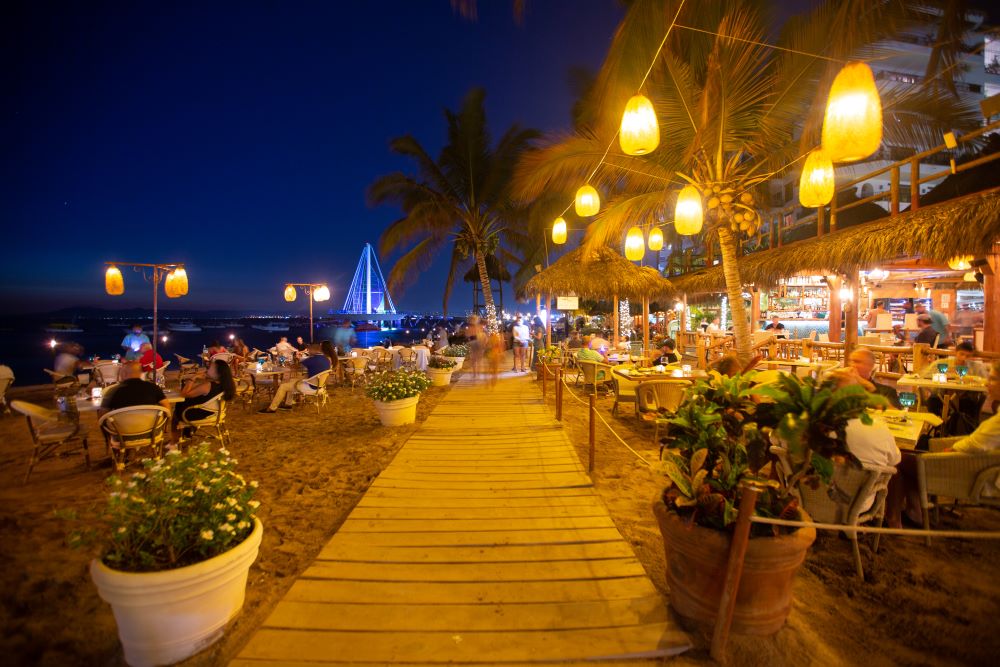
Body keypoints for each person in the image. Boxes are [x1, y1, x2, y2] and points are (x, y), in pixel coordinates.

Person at [887, 360, 1000, 526]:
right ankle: (913, 511)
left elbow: (976, 445)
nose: (986, 383)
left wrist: (951, 449)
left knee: (897, 459)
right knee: (906, 459)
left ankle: (893, 518)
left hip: (969, 471)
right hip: (972, 464)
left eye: (993, 379)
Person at [259, 341, 335, 413]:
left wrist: (288, 364)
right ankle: (288, 404)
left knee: (283, 386)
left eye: (309, 351)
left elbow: (296, 367)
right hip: (319, 385)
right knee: (291, 381)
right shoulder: (327, 359)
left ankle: (272, 408)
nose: (308, 352)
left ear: (313, 350)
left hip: (311, 386)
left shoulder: (312, 359)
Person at [172, 358, 235, 443]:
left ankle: (175, 441)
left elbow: (184, 394)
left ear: (218, 372)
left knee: (178, 408)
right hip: (216, 412)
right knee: (184, 405)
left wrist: (193, 377)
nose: (207, 369)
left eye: (210, 368)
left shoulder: (208, 385)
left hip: (201, 414)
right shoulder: (225, 384)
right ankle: (187, 434)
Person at [99, 361, 171, 415]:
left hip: (122, 432)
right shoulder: (153, 387)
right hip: (150, 430)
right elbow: (167, 407)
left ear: (124, 373)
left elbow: (103, 413)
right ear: (140, 373)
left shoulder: (113, 391)